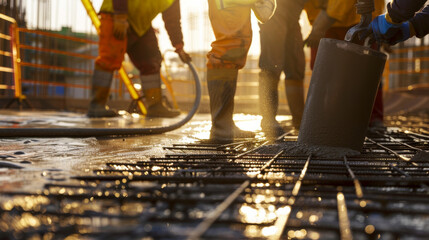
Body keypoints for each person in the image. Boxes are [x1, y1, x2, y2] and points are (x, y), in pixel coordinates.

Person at [87, 0, 191, 118]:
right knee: (110, 57)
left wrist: (179, 46)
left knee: (151, 61)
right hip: (114, 14)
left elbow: (172, 19)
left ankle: (155, 106)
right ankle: (96, 106)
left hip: (141, 25)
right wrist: (120, 16)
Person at [304, 0, 385, 127]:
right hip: (326, 19)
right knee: (323, 71)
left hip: (354, 19)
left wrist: (322, 22)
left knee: (367, 69)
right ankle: (324, 118)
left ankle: (370, 118)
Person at [206, 0, 276, 143]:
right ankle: (221, 127)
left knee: (233, 49)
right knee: (228, 50)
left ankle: (224, 123)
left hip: (233, 4)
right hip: (232, 4)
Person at [258, 0, 307, 138]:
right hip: (273, 10)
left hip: (293, 13)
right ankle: (268, 119)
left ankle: (299, 121)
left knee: (296, 66)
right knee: (271, 65)